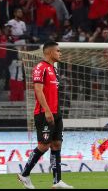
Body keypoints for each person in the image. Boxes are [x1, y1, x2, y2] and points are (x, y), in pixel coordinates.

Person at [18, 41, 72, 189]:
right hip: (44, 113)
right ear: (49, 52)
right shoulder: (40, 67)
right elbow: (38, 90)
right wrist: (47, 110)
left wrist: (55, 112)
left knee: (56, 144)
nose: (60, 53)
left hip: (56, 112)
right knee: (44, 145)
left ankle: (57, 181)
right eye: (58, 51)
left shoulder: (53, 69)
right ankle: (24, 174)